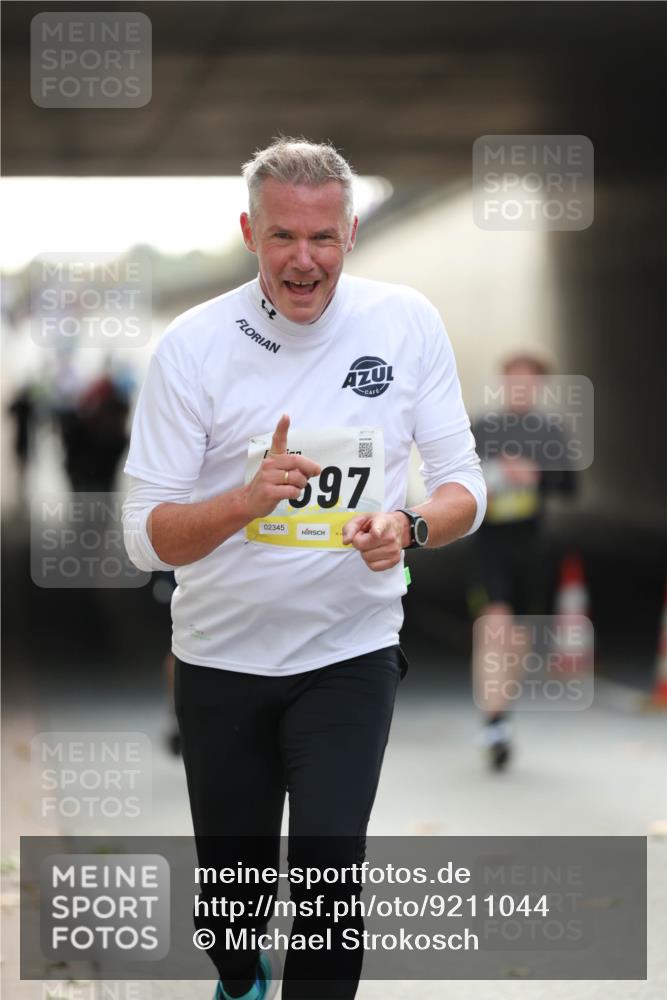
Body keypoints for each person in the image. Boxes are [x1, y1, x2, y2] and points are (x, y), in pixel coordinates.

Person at [122, 138, 486, 1000]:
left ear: (351, 234)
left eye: (323, 238)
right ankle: (238, 976)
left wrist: (408, 523)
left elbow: (462, 483)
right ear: (250, 231)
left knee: (330, 874)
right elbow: (144, 538)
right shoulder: (194, 346)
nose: (303, 259)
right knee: (230, 909)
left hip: (348, 652)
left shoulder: (404, 322)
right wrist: (245, 503)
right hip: (222, 657)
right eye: (283, 237)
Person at [468, 353, 576, 770]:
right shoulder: (483, 428)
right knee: (493, 629)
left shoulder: (549, 432)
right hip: (489, 548)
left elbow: (570, 486)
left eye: (528, 383)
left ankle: (502, 714)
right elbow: (457, 479)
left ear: (539, 387)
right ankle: (493, 721)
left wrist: (537, 475)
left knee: (518, 643)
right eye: (513, 381)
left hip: (531, 552)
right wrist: (490, 482)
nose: (520, 389)